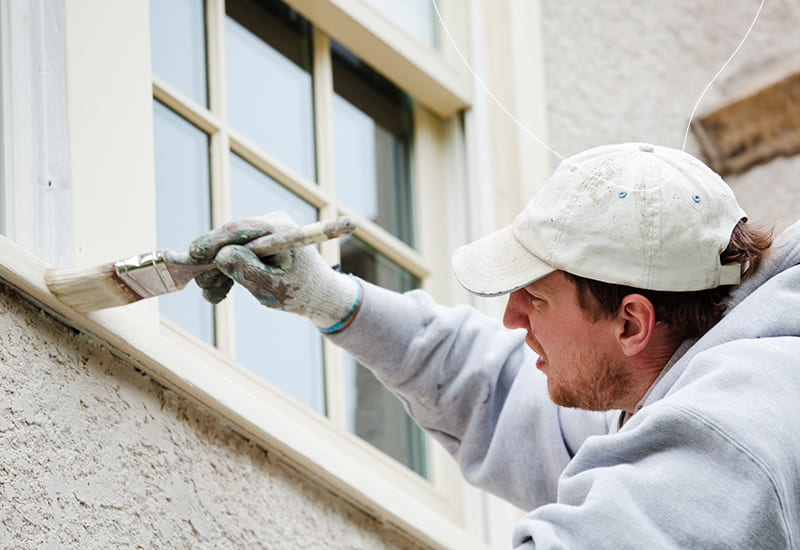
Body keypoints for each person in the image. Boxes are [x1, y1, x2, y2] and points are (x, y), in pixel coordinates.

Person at [187, 143, 800, 548]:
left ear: (632, 323)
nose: (510, 317)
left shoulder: (736, 428)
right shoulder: (676, 373)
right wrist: (327, 297)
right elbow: (498, 388)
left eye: (535, 297)